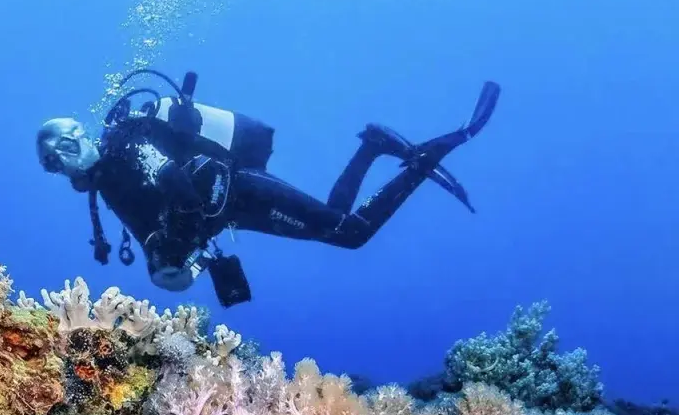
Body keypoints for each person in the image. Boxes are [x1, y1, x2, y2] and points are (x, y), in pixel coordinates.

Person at [36, 69, 500, 307]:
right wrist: (167, 260)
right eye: (53, 165)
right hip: (233, 210)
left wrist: (177, 236)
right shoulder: (107, 185)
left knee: (351, 234)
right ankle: (372, 147)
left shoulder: (125, 144)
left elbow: (174, 183)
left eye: (60, 154)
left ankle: (440, 149)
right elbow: (152, 232)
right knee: (335, 225)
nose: (61, 167)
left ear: (74, 140)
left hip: (242, 192)